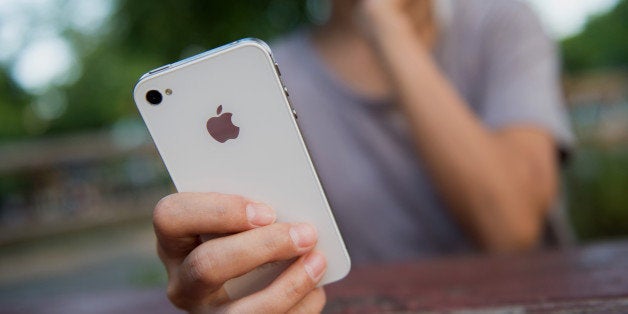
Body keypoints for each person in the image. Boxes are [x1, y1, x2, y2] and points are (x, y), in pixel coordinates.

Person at [153, 0, 573, 312]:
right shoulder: (265, 77)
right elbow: (268, 271)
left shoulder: (500, 22)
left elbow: (510, 228)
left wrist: (383, 27)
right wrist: (217, 284)